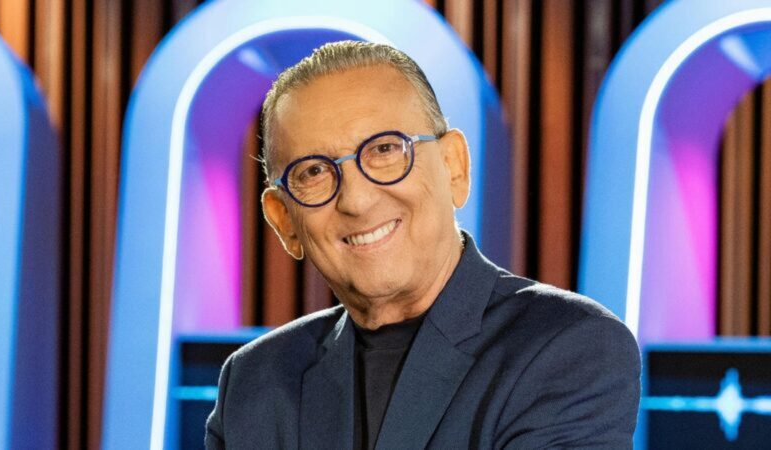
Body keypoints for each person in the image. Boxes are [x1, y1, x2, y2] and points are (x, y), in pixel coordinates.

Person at [205, 41, 640, 449]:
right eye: (313, 172)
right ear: (284, 221)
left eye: (384, 149)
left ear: (454, 167)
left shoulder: (570, 346)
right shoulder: (253, 383)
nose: (356, 200)